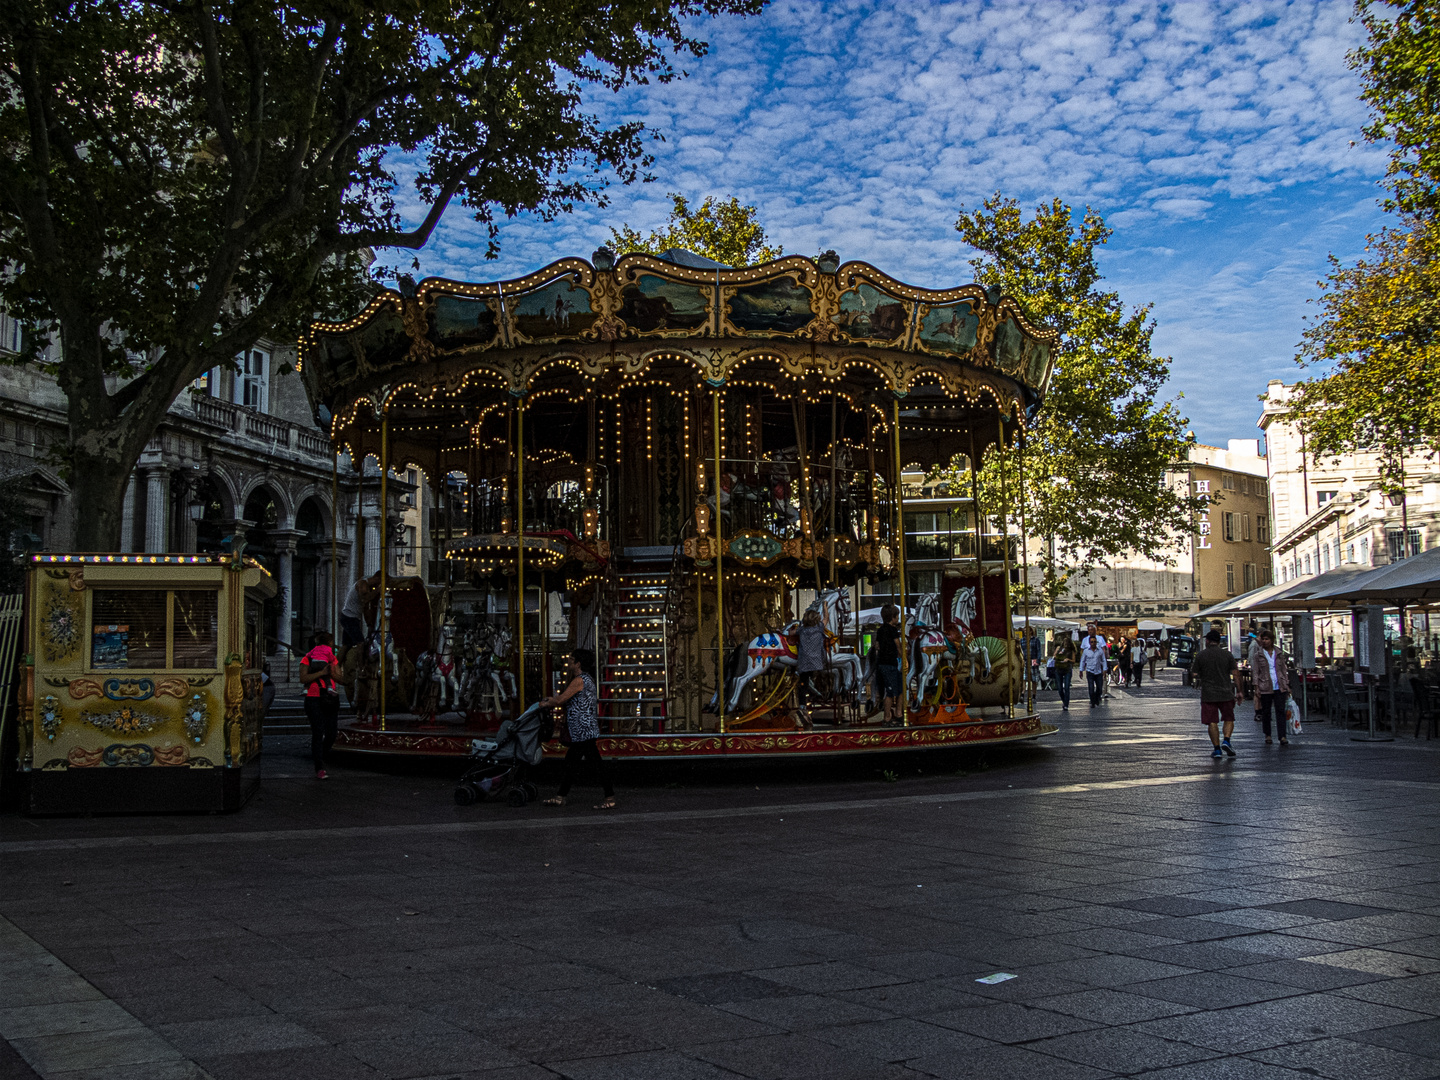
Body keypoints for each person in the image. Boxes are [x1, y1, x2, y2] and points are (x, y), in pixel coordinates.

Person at [541, 649, 615, 809]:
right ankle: (561, 796)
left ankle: (609, 797)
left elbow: (561, 699)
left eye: (571, 659)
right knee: (572, 763)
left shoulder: (579, 680)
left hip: (583, 730)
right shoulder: (585, 679)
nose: (568, 662)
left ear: (578, 663)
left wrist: (546, 703)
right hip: (582, 730)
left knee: (593, 764)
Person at [1192, 628, 1243, 759]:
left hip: (1209, 694)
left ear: (1208, 641)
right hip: (1226, 692)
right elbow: (1235, 673)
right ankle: (1226, 740)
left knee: (1211, 722)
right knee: (1229, 718)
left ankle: (1217, 749)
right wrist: (1240, 691)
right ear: (1219, 641)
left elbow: (1195, 673)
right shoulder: (1227, 655)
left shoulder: (1201, 655)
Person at [300, 631, 341, 779]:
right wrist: (322, 672)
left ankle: (321, 755)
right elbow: (303, 677)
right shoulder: (307, 658)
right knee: (318, 731)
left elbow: (338, 676)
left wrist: (333, 673)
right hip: (313, 697)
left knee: (331, 732)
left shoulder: (331, 657)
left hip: (330, 698)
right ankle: (319, 766)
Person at [1249, 628, 1292, 746]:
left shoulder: (1279, 653)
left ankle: (1282, 736)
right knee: (1266, 712)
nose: (1264, 641)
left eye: (1267, 639)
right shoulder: (1258, 655)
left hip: (1279, 685)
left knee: (1280, 711)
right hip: (1265, 685)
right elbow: (1256, 671)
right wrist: (1256, 687)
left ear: (1272, 640)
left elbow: (1283, 669)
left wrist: (1286, 684)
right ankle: (1267, 734)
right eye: (1262, 639)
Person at [794, 609, 826, 730]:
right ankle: (815, 694)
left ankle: (803, 706)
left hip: (804, 663)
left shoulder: (801, 630)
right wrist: (825, 607)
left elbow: (792, 633)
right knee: (814, 678)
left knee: (803, 683)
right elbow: (826, 619)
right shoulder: (819, 629)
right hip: (816, 663)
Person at [875, 604, 903, 725]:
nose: (898, 619)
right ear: (893, 617)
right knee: (891, 691)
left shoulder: (880, 630)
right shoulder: (893, 630)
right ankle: (887, 717)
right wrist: (903, 657)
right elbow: (898, 646)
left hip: (883, 663)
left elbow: (877, 645)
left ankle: (898, 713)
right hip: (889, 663)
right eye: (897, 617)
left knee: (900, 689)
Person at [340, 571, 381, 648]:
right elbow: (364, 599)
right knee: (360, 643)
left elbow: (365, 608)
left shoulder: (366, 587)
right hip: (350, 617)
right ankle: (358, 659)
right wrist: (377, 591)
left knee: (346, 645)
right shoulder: (362, 583)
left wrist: (369, 624)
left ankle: (341, 659)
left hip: (351, 617)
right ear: (377, 579)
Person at [1078, 628, 1109, 708]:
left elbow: (1103, 660)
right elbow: (1083, 661)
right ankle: (1092, 701)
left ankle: (1096, 698)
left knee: (1099, 688)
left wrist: (1105, 669)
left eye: (1094, 642)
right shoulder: (1086, 651)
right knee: (1091, 688)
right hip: (1090, 671)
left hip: (1098, 671)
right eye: (1092, 642)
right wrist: (1081, 670)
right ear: (1089, 643)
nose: (1093, 643)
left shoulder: (1100, 651)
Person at [1052, 633, 1077, 711]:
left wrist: (1068, 660)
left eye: (1067, 643)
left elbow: (1074, 661)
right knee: (1059, 688)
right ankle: (1064, 700)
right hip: (1059, 669)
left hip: (1067, 669)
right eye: (1065, 642)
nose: (1066, 644)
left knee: (1066, 687)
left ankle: (1066, 704)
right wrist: (1058, 656)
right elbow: (1054, 656)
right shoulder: (1059, 648)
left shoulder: (1071, 651)